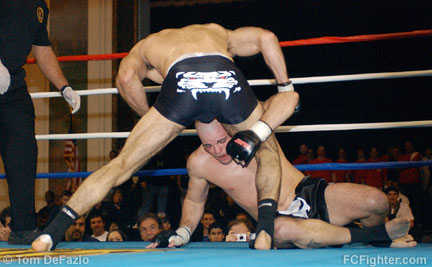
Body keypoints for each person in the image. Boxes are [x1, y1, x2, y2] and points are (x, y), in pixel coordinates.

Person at [33, 23, 299, 251]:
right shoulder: (219, 32)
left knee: (121, 165)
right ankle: (265, 229)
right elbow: (267, 38)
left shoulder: (147, 45)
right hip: (224, 75)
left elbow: (125, 79)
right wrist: (284, 84)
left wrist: (150, 119)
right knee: (267, 152)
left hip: (180, 82)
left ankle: (51, 232)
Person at [147, 119, 416, 249]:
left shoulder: (256, 131)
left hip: (307, 194)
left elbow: (282, 102)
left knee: (376, 201)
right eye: (208, 145)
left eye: (221, 142)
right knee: (283, 228)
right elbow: (194, 201)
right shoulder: (198, 163)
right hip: (274, 220)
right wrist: (181, 233)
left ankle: (378, 241)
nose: (217, 151)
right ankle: (376, 236)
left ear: (232, 130)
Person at [0, 1, 80, 245]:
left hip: (12, 84)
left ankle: (23, 230)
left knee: (23, 156)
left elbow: (42, 49)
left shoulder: (38, 6)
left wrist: (63, 86)